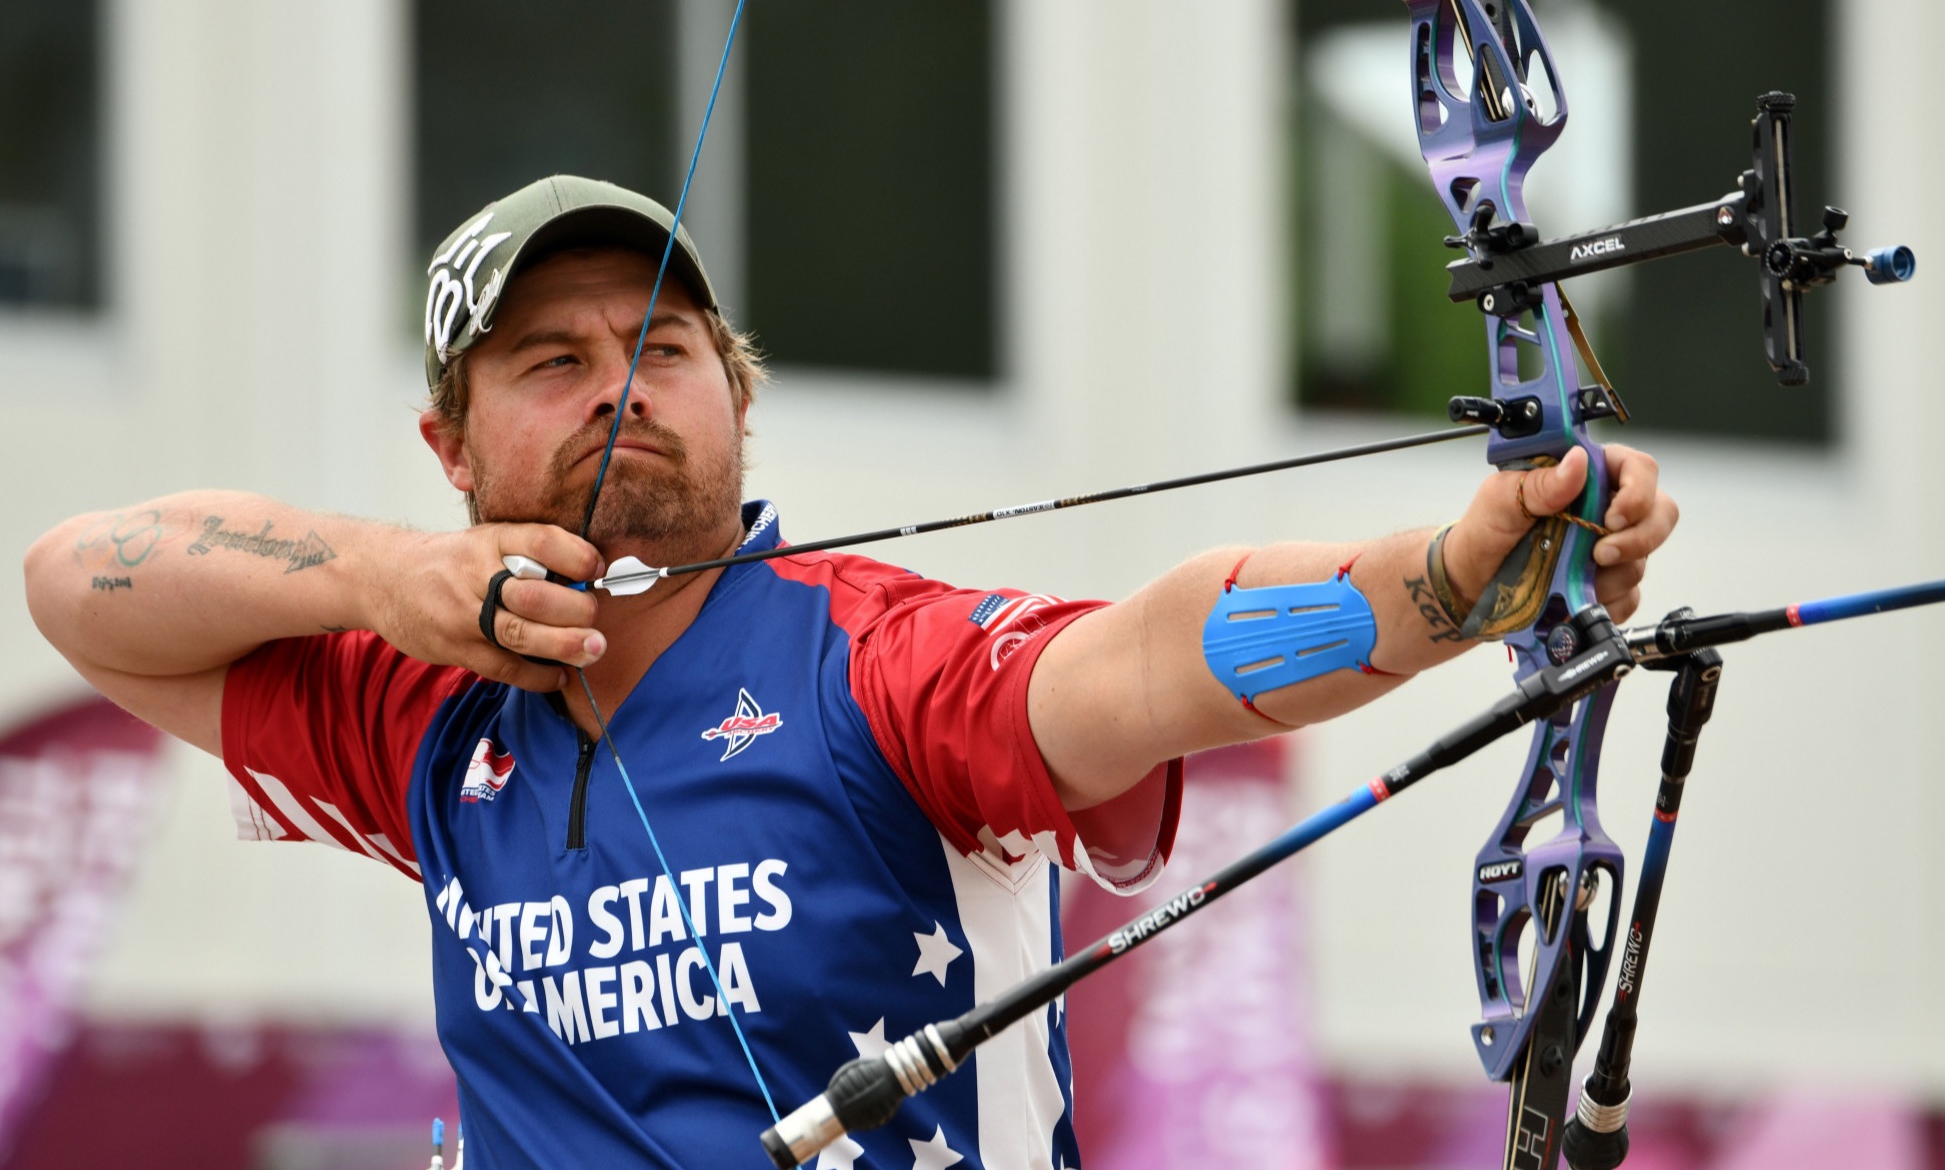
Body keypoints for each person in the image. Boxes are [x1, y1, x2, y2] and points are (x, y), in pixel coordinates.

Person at [23, 174, 1678, 1169]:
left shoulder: (871, 660)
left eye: (662, 348)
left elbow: (1150, 660)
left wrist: (1453, 580)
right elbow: (82, 583)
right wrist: (390, 580)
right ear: (450, 447)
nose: (621, 386)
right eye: (553, 361)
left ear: (734, 396)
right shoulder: (422, 710)